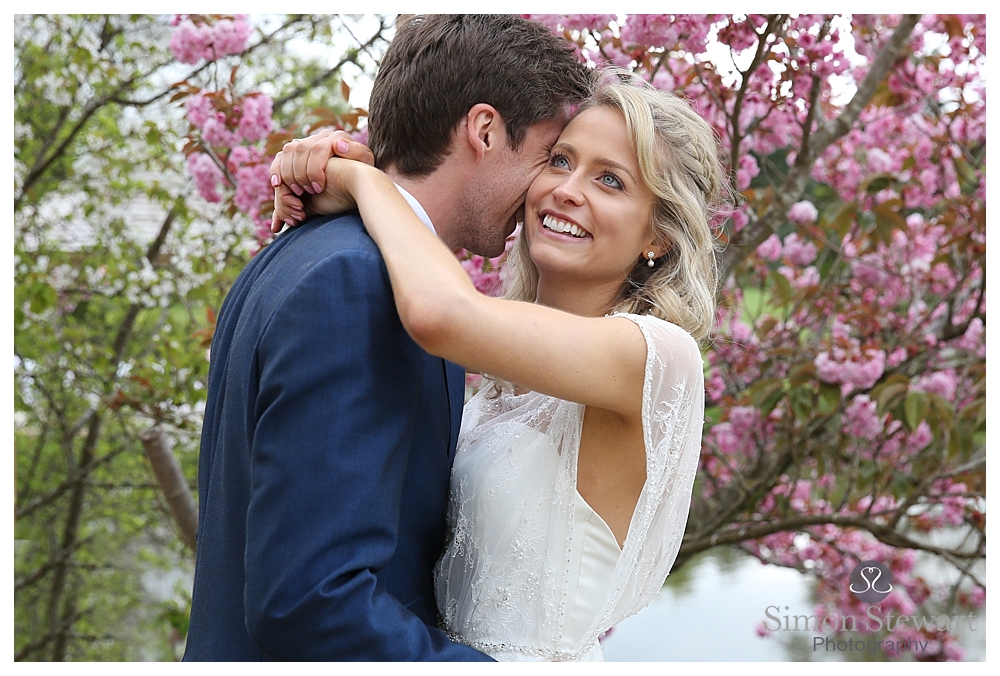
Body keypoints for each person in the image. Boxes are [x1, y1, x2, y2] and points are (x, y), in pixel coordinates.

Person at [270, 69, 729, 661]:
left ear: (658, 237)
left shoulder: (654, 357)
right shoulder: (498, 373)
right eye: (560, 161)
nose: (567, 189)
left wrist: (363, 179)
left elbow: (439, 314)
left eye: (610, 180)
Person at [183, 14, 592, 661]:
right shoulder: (359, 285)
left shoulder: (304, 256)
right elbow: (311, 599)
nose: (546, 190)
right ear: (484, 130)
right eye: (547, 157)